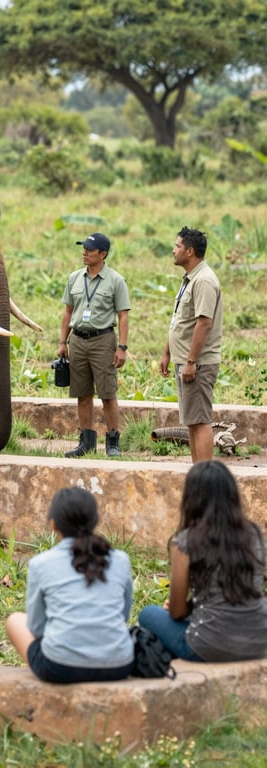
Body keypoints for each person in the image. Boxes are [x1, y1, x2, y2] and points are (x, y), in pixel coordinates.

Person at [138, 461, 267, 662]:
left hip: (208, 645)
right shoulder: (255, 535)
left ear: (192, 499)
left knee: (148, 614)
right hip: (259, 641)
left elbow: (177, 611)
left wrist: (187, 608)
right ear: (232, 496)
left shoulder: (187, 541)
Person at [5, 487, 134, 683]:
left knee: (14, 620)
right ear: (96, 521)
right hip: (118, 665)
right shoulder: (121, 560)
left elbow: (36, 628)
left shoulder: (40, 563)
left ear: (53, 524)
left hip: (60, 668)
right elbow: (123, 615)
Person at [58, 233, 130, 458]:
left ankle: (113, 442)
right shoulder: (74, 278)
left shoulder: (116, 280)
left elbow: (123, 316)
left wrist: (122, 347)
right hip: (78, 340)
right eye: (84, 248)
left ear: (103, 254)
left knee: (107, 393)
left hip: (103, 340)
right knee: (82, 393)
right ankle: (86, 442)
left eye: (90, 249)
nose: (85, 253)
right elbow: (68, 311)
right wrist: (62, 342)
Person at [159, 226, 222, 463]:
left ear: (190, 251)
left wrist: (191, 361)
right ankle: (198, 472)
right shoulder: (190, 279)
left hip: (198, 362)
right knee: (193, 421)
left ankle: (204, 475)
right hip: (184, 359)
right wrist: (167, 352)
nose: (173, 250)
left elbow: (204, 323)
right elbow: (180, 320)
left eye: (177, 246)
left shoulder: (204, 280)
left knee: (200, 420)